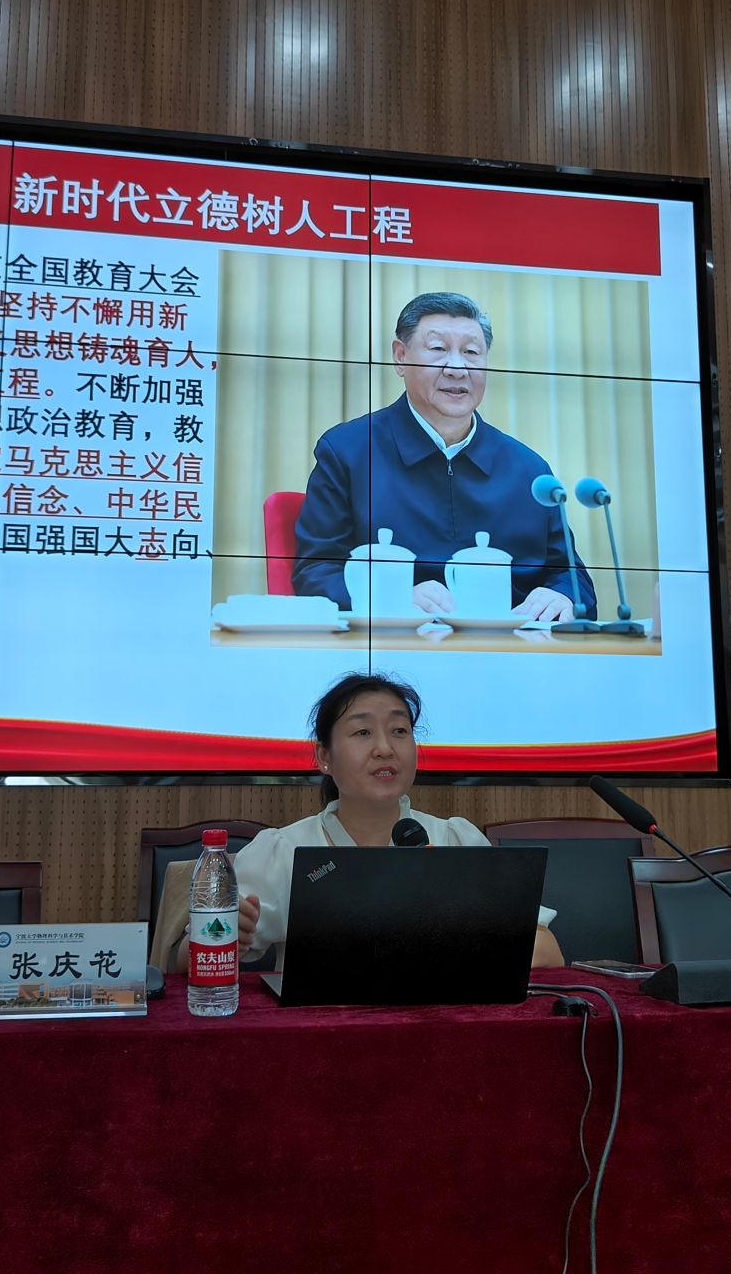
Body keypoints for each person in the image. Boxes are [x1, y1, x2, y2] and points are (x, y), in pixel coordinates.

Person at [290, 292, 597, 622]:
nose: (457, 368)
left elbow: (572, 577)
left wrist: (562, 595)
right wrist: (390, 598)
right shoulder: (347, 452)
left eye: (471, 352)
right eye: (438, 349)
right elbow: (316, 571)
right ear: (400, 357)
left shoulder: (528, 470)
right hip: (395, 644)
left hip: (510, 646)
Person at [233, 672, 565, 967]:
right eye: (363, 732)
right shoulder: (284, 851)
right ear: (324, 756)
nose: (384, 748)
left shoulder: (455, 841)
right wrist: (227, 935)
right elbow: (206, 950)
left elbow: (547, 951)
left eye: (399, 731)